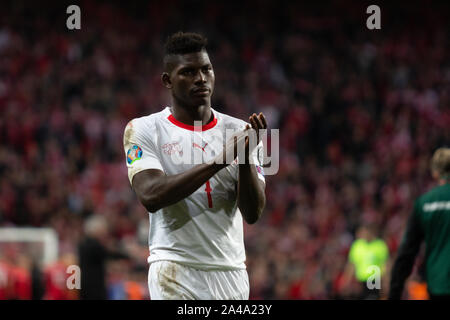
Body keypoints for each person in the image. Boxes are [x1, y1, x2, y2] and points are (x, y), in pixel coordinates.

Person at [123, 32, 267, 300]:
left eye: (206, 69)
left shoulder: (240, 131)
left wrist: (245, 158)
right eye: (188, 72)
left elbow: (253, 213)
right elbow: (151, 195)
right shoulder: (143, 129)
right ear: (167, 80)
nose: (201, 78)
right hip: (175, 271)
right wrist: (220, 160)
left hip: (231, 272)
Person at [389, 147, 450, 300]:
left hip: (439, 284)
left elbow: (407, 252)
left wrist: (394, 293)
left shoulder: (424, 203)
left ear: (434, 172)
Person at [78, 214, 129, 300]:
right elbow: (108, 253)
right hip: (93, 287)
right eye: (103, 229)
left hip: (86, 286)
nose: (105, 232)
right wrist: (127, 255)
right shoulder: (93, 245)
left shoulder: (84, 244)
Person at [342, 224, 389, 299]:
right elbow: (352, 265)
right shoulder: (357, 246)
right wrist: (346, 281)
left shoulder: (379, 245)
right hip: (360, 281)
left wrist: (385, 281)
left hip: (374, 279)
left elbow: (385, 265)